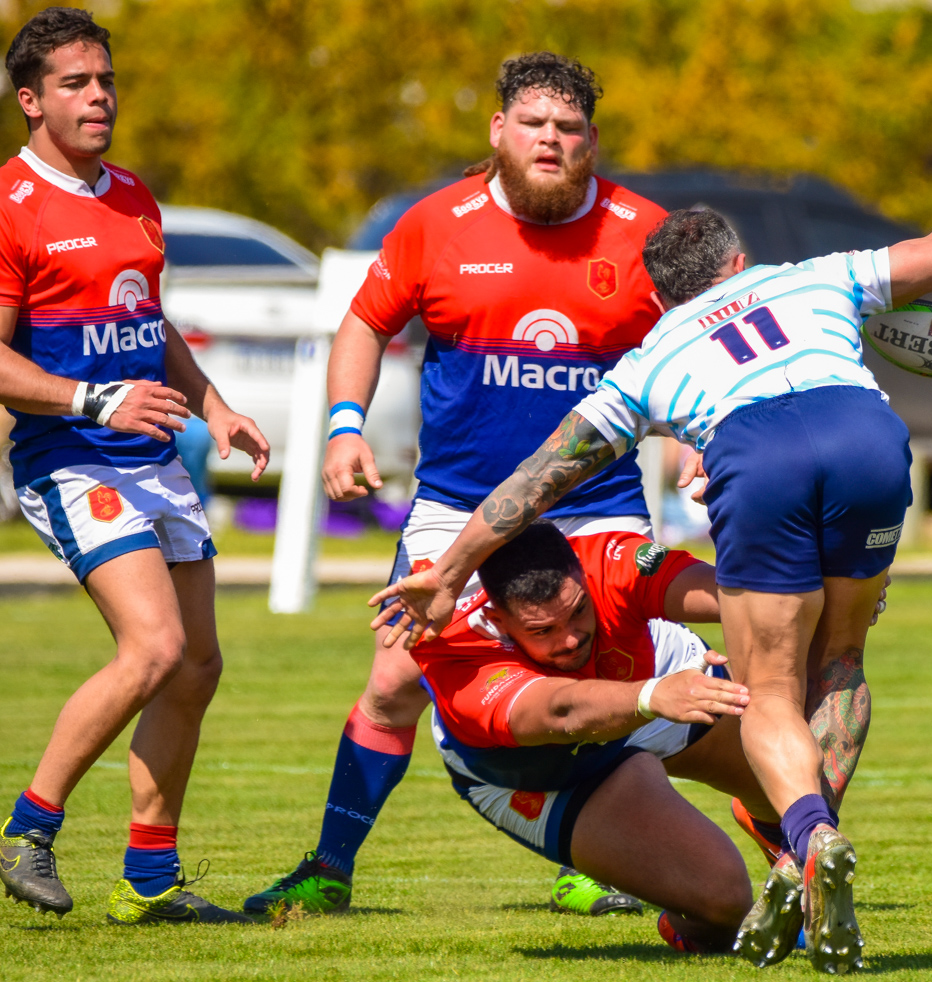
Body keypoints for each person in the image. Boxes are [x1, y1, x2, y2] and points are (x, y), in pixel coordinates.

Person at [376, 207, 932, 972]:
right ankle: (803, 845)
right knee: (840, 658)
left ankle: (809, 839)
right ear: (739, 263)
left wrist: (452, 568)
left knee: (771, 688)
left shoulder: (649, 358)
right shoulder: (815, 277)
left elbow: (539, 477)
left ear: (660, 298)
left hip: (756, 454)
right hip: (864, 432)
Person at [244, 52, 670, 916]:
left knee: (603, 668)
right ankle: (330, 866)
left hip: (594, 504)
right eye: (533, 124)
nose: (550, 140)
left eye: (568, 128)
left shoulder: (642, 231)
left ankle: (596, 859)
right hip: (455, 502)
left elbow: (701, 339)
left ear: (591, 141)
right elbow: (365, 323)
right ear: (499, 130)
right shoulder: (437, 223)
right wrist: (345, 424)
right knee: (395, 678)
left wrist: (699, 438)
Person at [0, 8, 269, 925]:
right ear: (30, 100)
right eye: (75, 83)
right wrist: (92, 400)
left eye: (106, 80)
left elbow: (147, 325)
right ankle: (27, 828)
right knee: (152, 647)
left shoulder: (134, 197)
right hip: (70, 455)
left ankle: (150, 879)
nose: (99, 97)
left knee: (196, 664)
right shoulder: (11, 204)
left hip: (151, 454)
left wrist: (215, 404)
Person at [405, 521, 765, 952]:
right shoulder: (456, 648)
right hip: (538, 770)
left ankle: (777, 835)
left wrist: (818, 586)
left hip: (651, 682)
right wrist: (652, 695)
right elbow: (561, 712)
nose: (570, 639)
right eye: (542, 631)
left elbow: (741, 595)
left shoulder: (608, 561)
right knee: (724, 902)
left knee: (794, 771)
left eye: (578, 611)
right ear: (499, 621)